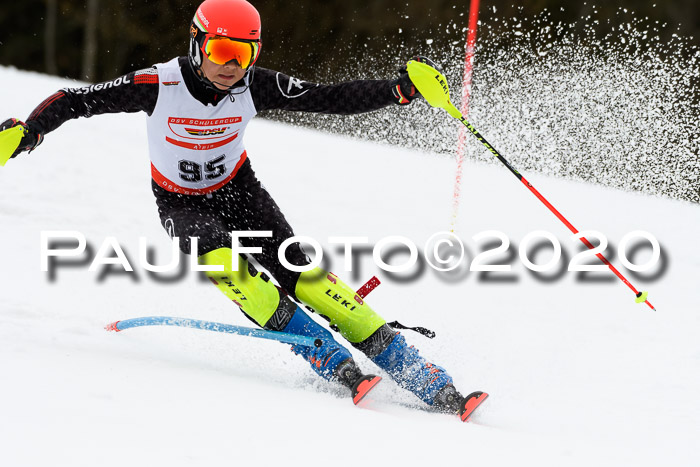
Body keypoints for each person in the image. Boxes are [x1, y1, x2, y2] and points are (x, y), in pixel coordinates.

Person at [1, 0, 486, 420]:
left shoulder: (255, 85)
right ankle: (322, 353)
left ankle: (419, 374)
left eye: (244, 53)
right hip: (180, 201)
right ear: (197, 44)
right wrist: (30, 131)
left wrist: (398, 90)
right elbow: (76, 100)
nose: (232, 65)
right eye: (221, 51)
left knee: (306, 278)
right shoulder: (157, 84)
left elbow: (328, 98)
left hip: (240, 191)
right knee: (231, 270)